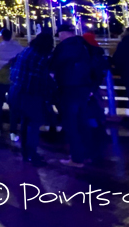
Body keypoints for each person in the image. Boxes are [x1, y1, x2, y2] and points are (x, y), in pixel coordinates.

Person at [49, 24, 93, 167]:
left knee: (70, 123)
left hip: (69, 87)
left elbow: (54, 64)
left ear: (63, 34)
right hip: (83, 87)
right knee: (82, 121)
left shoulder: (64, 48)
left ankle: (76, 158)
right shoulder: (83, 45)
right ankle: (86, 154)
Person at [10, 32, 55, 166]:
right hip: (31, 93)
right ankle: (32, 152)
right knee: (35, 123)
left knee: (25, 122)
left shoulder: (26, 51)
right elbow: (43, 77)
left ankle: (25, 152)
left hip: (17, 91)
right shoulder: (41, 57)